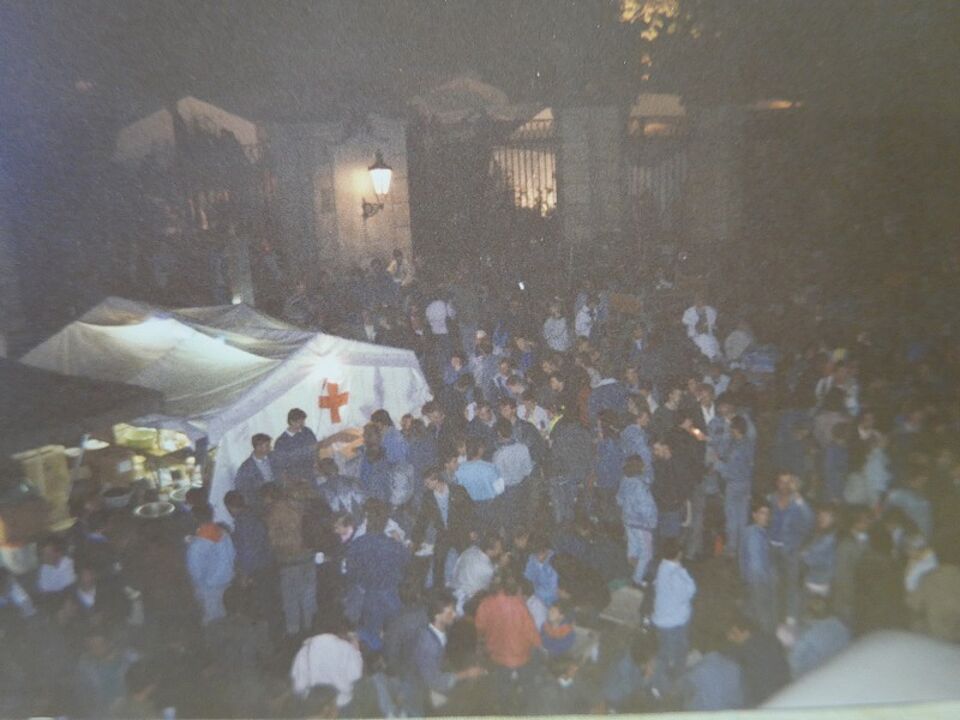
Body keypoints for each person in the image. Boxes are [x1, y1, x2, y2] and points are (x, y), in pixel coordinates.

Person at [344, 500, 410, 650]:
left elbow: (350, 572)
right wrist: (400, 542)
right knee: (394, 633)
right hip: (391, 596)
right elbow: (406, 561)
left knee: (370, 633)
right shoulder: (392, 545)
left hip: (366, 596)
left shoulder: (357, 544)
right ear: (385, 523)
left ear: (367, 520)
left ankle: (372, 655)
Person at [474, 570, 542, 714]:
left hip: (497, 655)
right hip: (521, 656)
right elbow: (533, 635)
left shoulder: (486, 604)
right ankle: (523, 705)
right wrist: (539, 645)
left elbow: (479, 627)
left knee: (502, 683)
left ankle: (503, 708)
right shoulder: (520, 606)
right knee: (526, 680)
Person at [410, 591, 486, 715]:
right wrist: (467, 673)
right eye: (450, 613)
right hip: (426, 693)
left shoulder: (443, 630)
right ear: (437, 616)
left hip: (438, 681)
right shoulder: (429, 644)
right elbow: (434, 681)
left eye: (454, 610)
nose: (455, 615)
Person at [261, 482, 317, 638]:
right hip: (308, 555)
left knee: (291, 598)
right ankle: (310, 629)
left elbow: (273, 539)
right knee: (308, 596)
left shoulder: (275, 512)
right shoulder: (304, 506)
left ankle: (293, 633)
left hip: (289, 560)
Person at [412, 465, 475, 588]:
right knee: (438, 561)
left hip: (460, 531)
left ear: (436, 480)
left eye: (427, 482)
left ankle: (470, 584)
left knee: (466, 558)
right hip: (443, 533)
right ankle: (438, 588)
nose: (425, 485)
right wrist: (415, 539)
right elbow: (422, 520)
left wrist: (472, 529)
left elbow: (470, 511)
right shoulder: (428, 498)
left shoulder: (458, 491)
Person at [767, 472, 814, 625]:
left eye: (789, 482)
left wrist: (799, 498)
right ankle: (773, 617)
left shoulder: (797, 502)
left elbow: (809, 521)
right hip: (771, 548)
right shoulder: (770, 499)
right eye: (782, 482)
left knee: (791, 585)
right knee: (772, 584)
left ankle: (791, 618)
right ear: (777, 483)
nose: (785, 486)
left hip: (790, 549)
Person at [290, 615, 364, 712]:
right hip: (340, 701)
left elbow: (297, 680)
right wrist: (357, 651)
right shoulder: (346, 648)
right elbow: (356, 675)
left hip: (312, 702)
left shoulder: (305, 648)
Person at [651, 538, 697, 678]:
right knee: (678, 653)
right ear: (679, 554)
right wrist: (683, 571)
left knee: (663, 650)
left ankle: (661, 676)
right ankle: (676, 677)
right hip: (674, 622)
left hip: (661, 619)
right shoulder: (676, 574)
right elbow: (690, 591)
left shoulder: (662, 567)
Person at [724, 614, 790, 707]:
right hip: (785, 694)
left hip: (765, 701)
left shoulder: (747, 650)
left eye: (733, 633)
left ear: (746, 632)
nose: (730, 638)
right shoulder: (770, 640)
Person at [73, 626, 139, 719]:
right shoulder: (85, 666)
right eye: (91, 646)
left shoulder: (130, 659)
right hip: (101, 714)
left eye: (100, 645)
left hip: (131, 711)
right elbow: (83, 696)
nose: (96, 649)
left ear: (109, 643)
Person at [185, 503, 236, 625]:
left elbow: (195, 572)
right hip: (227, 578)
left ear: (195, 519)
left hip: (209, 585)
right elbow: (232, 554)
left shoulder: (196, 546)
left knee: (211, 617)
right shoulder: (224, 533)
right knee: (223, 611)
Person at [716, 416, 756, 558]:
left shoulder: (735, 447)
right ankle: (742, 547)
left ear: (736, 429)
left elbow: (725, 463)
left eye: (731, 428)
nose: (730, 430)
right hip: (746, 484)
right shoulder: (749, 443)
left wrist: (717, 465)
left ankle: (732, 548)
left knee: (732, 518)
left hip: (733, 484)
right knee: (742, 517)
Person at [739, 497, 778, 634]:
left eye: (768, 513)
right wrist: (766, 582)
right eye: (762, 513)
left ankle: (748, 632)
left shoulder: (754, 531)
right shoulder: (754, 536)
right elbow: (756, 566)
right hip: (758, 582)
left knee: (752, 610)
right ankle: (766, 637)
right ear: (754, 515)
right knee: (764, 614)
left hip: (752, 580)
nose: (766, 517)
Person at [617, 454, 658, 585]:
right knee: (646, 553)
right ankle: (637, 579)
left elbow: (619, 500)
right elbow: (646, 507)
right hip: (642, 524)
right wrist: (651, 521)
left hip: (628, 521)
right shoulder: (640, 485)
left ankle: (633, 573)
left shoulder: (624, 480)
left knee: (633, 549)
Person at [493, 418, 534, 536]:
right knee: (522, 521)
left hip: (507, 492)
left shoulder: (498, 455)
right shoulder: (523, 448)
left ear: (499, 434)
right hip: (522, 488)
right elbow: (528, 470)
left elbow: (497, 479)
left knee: (509, 524)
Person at [448, 533, 501, 613]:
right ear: (492, 550)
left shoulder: (471, 550)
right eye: (499, 548)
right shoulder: (488, 570)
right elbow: (485, 590)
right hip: (466, 604)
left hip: (452, 592)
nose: (500, 551)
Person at [273, 408, 318, 479]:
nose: (303, 424)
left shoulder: (307, 431)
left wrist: (316, 462)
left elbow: (315, 448)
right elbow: (282, 463)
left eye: (303, 421)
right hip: (296, 477)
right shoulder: (281, 441)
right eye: (300, 422)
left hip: (312, 472)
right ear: (292, 422)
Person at [234, 433, 275, 509]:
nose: (270, 447)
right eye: (267, 446)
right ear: (258, 447)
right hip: (260, 504)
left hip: (278, 496)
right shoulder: (245, 468)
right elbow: (241, 489)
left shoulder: (274, 457)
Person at [524, 535, 559, 607]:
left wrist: (534, 594)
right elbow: (528, 577)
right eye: (535, 554)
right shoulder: (532, 557)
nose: (537, 557)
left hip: (550, 602)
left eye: (540, 553)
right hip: (534, 597)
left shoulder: (555, 562)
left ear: (547, 549)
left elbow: (553, 591)